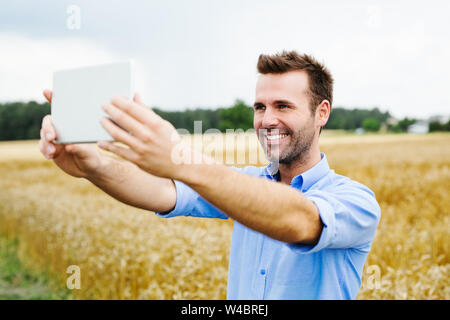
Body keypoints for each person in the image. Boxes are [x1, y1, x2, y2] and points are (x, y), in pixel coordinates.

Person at [39, 51, 381, 299]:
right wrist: (92, 166)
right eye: (260, 107)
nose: (266, 120)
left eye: (283, 106)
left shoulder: (356, 202)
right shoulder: (243, 182)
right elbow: (162, 192)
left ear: (321, 113)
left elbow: (298, 220)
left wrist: (181, 158)